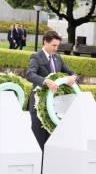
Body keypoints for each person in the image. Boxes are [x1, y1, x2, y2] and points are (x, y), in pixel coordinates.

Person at [26, 30, 77, 172]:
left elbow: (71, 72)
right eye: (54, 45)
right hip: (38, 105)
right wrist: (45, 81)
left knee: (51, 140)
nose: (56, 48)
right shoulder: (36, 56)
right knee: (38, 140)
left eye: (57, 45)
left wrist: (73, 77)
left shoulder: (58, 58)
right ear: (45, 42)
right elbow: (29, 74)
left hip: (55, 107)